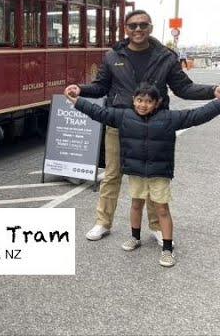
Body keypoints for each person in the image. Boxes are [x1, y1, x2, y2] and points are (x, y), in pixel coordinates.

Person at [64, 9, 220, 244]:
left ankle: (156, 226)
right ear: (125, 29)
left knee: (153, 174)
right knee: (112, 174)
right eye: (133, 25)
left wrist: (212, 91)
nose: (138, 29)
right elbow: (100, 86)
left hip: (156, 125)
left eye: (143, 25)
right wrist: (80, 89)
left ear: (151, 28)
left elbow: (183, 88)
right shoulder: (113, 55)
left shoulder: (165, 56)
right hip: (121, 121)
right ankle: (103, 222)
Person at [66, 83, 220, 267]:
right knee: (136, 204)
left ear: (157, 103)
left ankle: (167, 249)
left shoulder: (169, 118)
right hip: (136, 172)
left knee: (162, 209)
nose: (143, 105)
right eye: (139, 100)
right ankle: (135, 237)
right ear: (133, 100)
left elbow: (196, 116)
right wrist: (78, 101)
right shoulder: (124, 116)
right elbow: (100, 113)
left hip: (159, 174)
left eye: (148, 101)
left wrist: (217, 104)